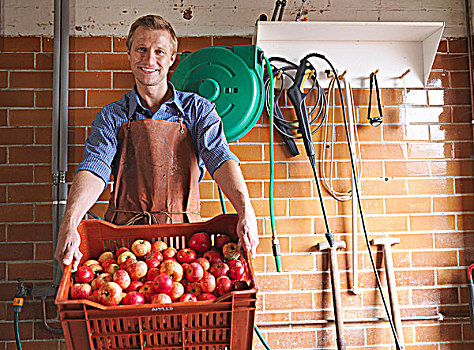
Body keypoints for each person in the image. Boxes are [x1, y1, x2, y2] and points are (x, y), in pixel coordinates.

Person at [54, 14, 259, 271]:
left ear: (172, 58)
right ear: (129, 53)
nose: (149, 60)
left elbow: (219, 157)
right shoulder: (112, 116)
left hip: (184, 244)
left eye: (159, 51)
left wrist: (245, 210)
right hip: (123, 247)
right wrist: (70, 222)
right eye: (141, 49)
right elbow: (95, 168)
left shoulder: (198, 110)